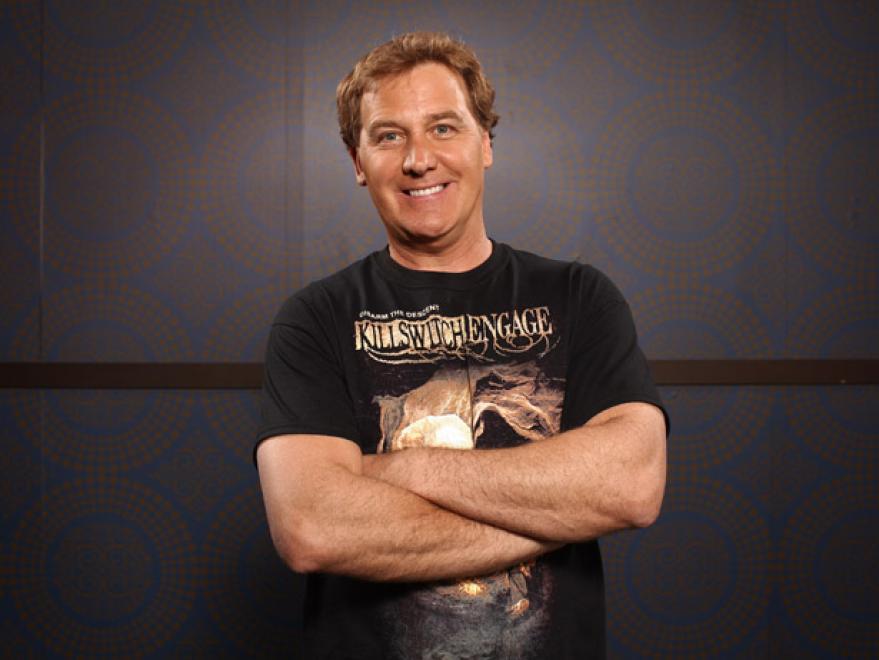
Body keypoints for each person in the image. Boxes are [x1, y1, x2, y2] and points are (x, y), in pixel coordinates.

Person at [255, 32, 667, 659]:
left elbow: (631, 483)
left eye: (444, 128)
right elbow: (312, 526)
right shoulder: (315, 320)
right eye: (389, 136)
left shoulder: (580, 297)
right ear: (358, 161)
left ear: (486, 143)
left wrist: (403, 468)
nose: (419, 159)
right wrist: (561, 513)